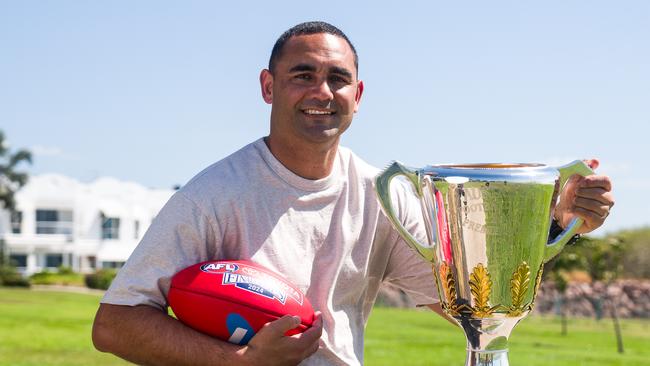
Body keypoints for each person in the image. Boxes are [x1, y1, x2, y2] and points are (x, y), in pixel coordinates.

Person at [92, 21, 615, 366]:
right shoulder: (212, 196)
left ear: (358, 96)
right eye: (303, 75)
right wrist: (243, 362)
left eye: (338, 79)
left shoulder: (380, 192)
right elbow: (115, 325)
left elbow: (466, 303)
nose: (322, 92)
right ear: (268, 87)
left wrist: (552, 227)